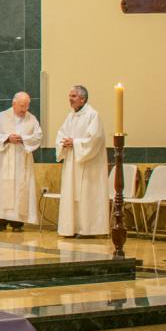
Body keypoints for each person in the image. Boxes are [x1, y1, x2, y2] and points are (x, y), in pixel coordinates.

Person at [56, 85, 109, 237]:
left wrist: (75, 143)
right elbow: (61, 134)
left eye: (73, 96)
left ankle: (88, 229)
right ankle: (71, 228)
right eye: (70, 96)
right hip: (73, 161)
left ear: (83, 99)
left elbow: (95, 139)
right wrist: (64, 143)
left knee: (87, 195)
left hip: (88, 164)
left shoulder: (93, 115)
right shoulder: (71, 116)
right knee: (72, 194)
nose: (70, 99)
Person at [0, 92, 42, 231]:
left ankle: (18, 223)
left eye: (27, 106)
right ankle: (0, 222)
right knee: (1, 188)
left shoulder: (32, 119)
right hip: (4, 158)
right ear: (14, 103)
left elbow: (38, 136)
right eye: (22, 106)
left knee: (20, 189)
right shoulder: (2, 116)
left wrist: (23, 138)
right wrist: (6, 138)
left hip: (22, 159)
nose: (24, 109)